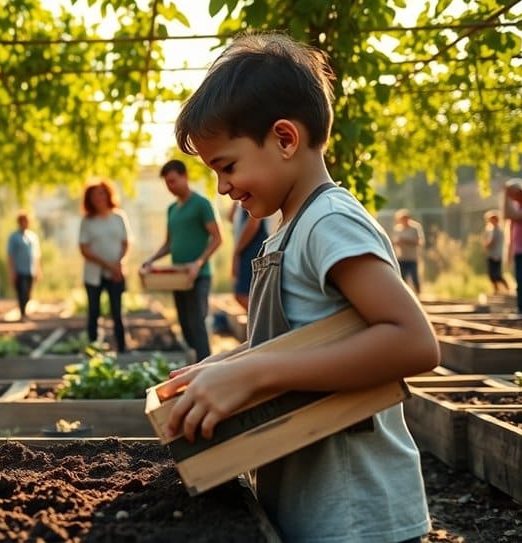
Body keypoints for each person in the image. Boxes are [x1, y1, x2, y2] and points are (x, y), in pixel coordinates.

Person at [163, 33, 439, 543]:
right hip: (310, 503)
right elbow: (309, 335)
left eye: (227, 166)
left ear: (285, 139)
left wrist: (256, 372)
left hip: (356, 514)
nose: (222, 186)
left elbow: (413, 341)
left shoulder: (329, 222)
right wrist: (229, 364)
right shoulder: (288, 228)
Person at [141, 159, 222, 362]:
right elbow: (169, 243)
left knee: (197, 323)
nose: (170, 186)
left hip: (198, 276)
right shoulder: (172, 209)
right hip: (178, 277)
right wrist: (151, 260)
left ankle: (206, 367)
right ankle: (194, 366)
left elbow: (217, 238)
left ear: (185, 176)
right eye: (167, 183)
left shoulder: (202, 204)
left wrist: (198, 262)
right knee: (185, 324)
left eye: (173, 181)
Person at [79, 179, 131, 353]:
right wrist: (106, 264)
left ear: (108, 194)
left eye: (101, 193)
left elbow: (125, 243)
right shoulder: (87, 221)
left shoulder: (118, 217)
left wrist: (118, 264)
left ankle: (122, 348)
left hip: (116, 273)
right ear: (89, 199)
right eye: (94, 195)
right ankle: (93, 349)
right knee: (94, 311)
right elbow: (84, 249)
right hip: (94, 274)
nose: (98, 198)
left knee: (117, 311)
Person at [228, 200, 269, 311]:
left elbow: (254, 224)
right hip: (245, 249)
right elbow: (230, 217)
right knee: (246, 294)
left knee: (242, 294)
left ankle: (264, 321)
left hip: (252, 249)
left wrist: (236, 253)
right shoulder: (240, 201)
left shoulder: (254, 196)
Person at [6, 210, 41, 320]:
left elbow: (36, 255)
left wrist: (38, 269)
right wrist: (12, 271)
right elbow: (10, 255)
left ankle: (24, 311)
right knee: (22, 292)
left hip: (30, 269)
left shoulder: (33, 237)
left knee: (28, 293)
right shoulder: (14, 237)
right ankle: (23, 314)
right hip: (19, 270)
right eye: (22, 221)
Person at [391, 208, 424, 296]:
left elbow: (419, 241)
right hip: (401, 257)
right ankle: (405, 295)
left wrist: (406, 241)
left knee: (414, 277)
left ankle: (419, 295)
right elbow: (394, 242)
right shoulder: (397, 229)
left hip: (412, 257)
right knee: (402, 278)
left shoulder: (415, 228)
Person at [503, 179, 522, 312]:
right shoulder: (516, 206)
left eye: (513, 195)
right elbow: (507, 216)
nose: (512, 199)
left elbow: (513, 216)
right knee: (520, 281)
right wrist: (509, 251)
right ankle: (521, 308)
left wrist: (505, 196)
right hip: (518, 250)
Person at [482, 209, 510, 295]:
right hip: (491, 255)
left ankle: (507, 288)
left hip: (496, 256)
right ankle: (496, 290)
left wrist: (486, 245)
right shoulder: (490, 229)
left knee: (497, 275)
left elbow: (492, 242)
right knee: (492, 274)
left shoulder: (497, 230)